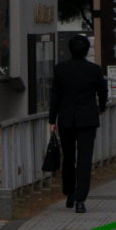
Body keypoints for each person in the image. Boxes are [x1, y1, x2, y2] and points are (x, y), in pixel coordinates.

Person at [48, 34, 108, 214]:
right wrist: (101, 107)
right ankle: (81, 199)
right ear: (87, 50)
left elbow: (55, 95)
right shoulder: (94, 70)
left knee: (68, 157)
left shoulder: (61, 69)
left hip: (66, 119)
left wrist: (52, 119)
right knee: (84, 159)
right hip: (88, 119)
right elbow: (102, 91)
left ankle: (69, 193)